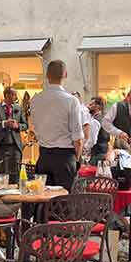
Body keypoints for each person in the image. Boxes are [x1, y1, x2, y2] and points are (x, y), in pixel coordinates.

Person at [30, 60, 83, 191]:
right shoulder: (71, 101)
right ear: (65, 75)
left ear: (47, 76)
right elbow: (78, 138)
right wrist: (76, 159)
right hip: (65, 156)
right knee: (64, 202)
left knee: (43, 201)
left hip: (44, 156)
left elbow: (35, 128)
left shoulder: (35, 100)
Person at [0, 87, 27, 183]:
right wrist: (4, 123)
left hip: (15, 146)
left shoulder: (18, 108)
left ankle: (15, 194)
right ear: (7, 95)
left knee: (15, 173)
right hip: (0, 146)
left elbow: (25, 125)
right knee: (0, 173)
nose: (15, 97)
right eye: (13, 94)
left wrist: (18, 126)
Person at [87, 96, 110, 165]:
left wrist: (84, 148)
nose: (88, 106)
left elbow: (92, 140)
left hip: (96, 154)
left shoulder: (96, 120)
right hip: (104, 152)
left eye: (91, 104)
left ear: (97, 106)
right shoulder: (105, 118)